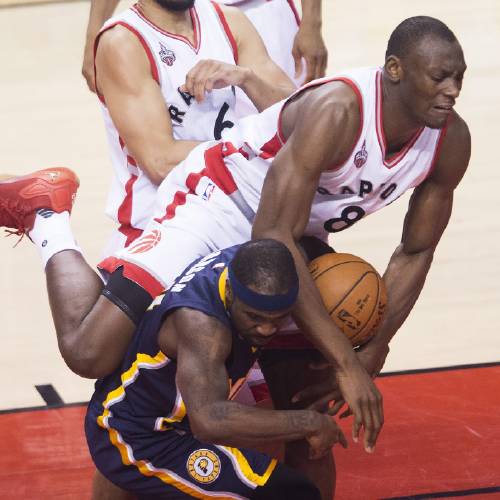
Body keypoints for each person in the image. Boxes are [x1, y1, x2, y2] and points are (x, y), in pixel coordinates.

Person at [0, 13, 470, 474]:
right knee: (90, 352)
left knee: (304, 393)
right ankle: (48, 214)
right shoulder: (340, 109)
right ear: (395, 70)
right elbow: (271, 233)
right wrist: (347, 362)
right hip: (218, 203)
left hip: (293, 234)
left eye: (458, 78)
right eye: (440, 77)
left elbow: (415, 251)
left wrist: (373, 349)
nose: (452, 90)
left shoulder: (450, 141)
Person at [86, 239, 347, 499]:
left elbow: (309, 253)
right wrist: (309, 422)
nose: (267, 329)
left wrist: (352, 359)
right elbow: (209, 421)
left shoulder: (259, 264)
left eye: (278, 319)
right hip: (135, 437)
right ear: (232, 293)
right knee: (290, 493)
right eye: (255, 318)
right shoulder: (202, 326)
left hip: (176, 423)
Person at [93, 0, 297, 254]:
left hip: (233, 204)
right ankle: (53, 229)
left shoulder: (229, 20)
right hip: (162, 221)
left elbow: (298, 117)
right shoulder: (123, 41)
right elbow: (160, 161)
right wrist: (250, 149)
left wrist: (247, 78)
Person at [82, 0, 327, 93]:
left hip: (267, 12)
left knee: (287, 118)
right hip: (186, 17)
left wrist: (312, 21)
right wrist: (94, 36)